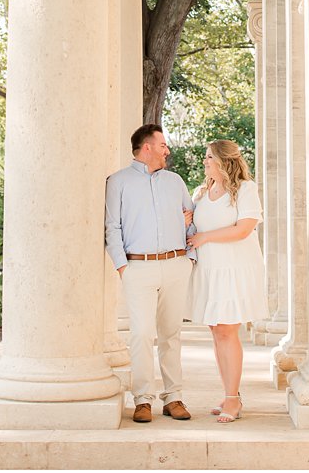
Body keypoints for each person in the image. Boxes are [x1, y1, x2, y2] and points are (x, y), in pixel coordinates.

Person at [105, 123, 197, 424]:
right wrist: (122, 266)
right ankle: (142, 399)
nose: (166, 150)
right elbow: (112, 227)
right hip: (137, 267)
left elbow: (192, 219)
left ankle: (174, 397)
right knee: (141, 333)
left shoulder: (175, 181)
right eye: (162, 145)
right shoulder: (118, 182)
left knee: (171, 333)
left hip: (175, 264)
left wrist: (190, 258)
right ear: (146, 148)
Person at [187, 139, 264, 423]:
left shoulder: (245, 189)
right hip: (209, 269)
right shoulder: (201, 192)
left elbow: (244, 229)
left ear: (223, 160)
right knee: (217, 332)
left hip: (234, 268)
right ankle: (229, 393)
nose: (205, 161)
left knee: (228, 330)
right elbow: (193, 225)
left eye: (209, 156)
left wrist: (204, 237)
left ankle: (233, 399)